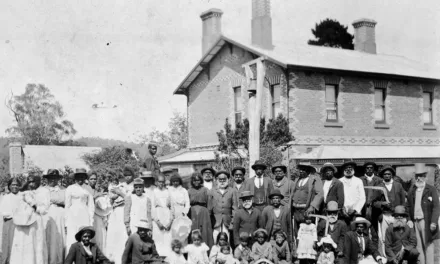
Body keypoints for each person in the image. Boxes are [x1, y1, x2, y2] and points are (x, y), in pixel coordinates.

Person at [10, 174, 48, 264]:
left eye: (33, 181)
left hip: (36, 222)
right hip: (22, 223)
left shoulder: (43, 192)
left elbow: (44, 210)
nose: (31, 184)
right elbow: (16, 208)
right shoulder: (22, 193)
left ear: (38, 182)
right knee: (22, 243)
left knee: (35, 244)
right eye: (29, 181)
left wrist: (33, 204)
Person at [406, 163, 439, 264]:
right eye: (417, 176)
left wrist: (433, 222)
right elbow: (408, 207)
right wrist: (409, 220)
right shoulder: (412, 190)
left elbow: (437, 207)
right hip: (415, 222)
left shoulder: (431, 189)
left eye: (421, 176)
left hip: (426, 221)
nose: (418, 178)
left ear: (425, 177)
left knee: (428, 245)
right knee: (419, 246)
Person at [372, 165, 405, 256]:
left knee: (398, 235)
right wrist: (382, 204)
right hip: (385, 216)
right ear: (382, 175)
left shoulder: (398, 186)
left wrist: (401, 212)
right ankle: (386, 257)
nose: (387, 176)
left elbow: (403, 201)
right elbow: (373, 203)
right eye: (385, 174)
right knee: (384, 237)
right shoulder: (379, 186)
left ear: (392, 175)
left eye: (389, 174)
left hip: (397, 216)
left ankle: (398, 256)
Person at [65, 168, 95, 252]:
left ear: (85, 178)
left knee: (84, 235)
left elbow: (91, 206)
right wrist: (66, 223)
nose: (80, 179)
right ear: (75, 178)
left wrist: (91, 221)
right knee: (72, 236)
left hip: (84, 215)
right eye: (78, 177)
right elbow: (67, 206)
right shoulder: (70, 188)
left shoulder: (88, 189)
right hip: (72, 215)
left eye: (82, 177)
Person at [290, 162, 323, 236]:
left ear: (308, 170)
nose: (301, 171)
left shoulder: (314, 179)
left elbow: (320, 194)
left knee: (308, 232)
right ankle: (297, 247)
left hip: (306, 211)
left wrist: (312, 207)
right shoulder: (297, 180)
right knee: (297, 232)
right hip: (296, 211)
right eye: (300, 169)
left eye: (304, 169)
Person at [43, 169, 66, 264]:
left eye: (55, 178)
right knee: (49, 235)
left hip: (60, 214)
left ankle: (59, 260)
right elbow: (43, 201)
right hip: (48, 214)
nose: (53, 180)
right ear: (47, 179)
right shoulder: (43, 189)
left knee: (59, 236)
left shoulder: (63, 189)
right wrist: (55, 200)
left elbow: (65, 201)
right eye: (51, 178)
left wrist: (53, 199)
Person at [209, 170, 238, 244]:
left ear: (228, 180)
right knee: (215, 238)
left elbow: (235, 208)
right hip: (215, 221)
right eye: (220, 179)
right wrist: (210, 221)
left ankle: (226, 254)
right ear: (216, 180)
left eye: (224, 179)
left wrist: (232, 222)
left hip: (227, 221)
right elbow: (209, 208)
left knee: (226, 238)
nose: (222, 181)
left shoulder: (232, 191)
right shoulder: (212, 191)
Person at [107, 176, 129, 264]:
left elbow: (125, 196)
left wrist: (119, 193)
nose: (115, 182)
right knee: (114, 233)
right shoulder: (111, 187)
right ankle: (113, 257)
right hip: (115, 210)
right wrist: (117, 194)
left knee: (122, 233)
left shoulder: (122, 187)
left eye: (116, 180)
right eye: (113, 181)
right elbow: (112, 197)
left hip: (122, 209)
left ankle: (122, 257)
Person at [188, 172, 213, 248]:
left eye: (198, 180)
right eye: (194, 180)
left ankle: (205, 251)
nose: (196, 182)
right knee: (193, 230)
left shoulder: (205, 190)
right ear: (192, 181)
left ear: (201, 180)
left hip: (203, 212)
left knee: (204, 231)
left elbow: (209, 202)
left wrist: (208, 213)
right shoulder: (189, 191)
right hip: (192, 212)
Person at [0, 177, 22, 264]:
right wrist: (15, 215)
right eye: (13, 184)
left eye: (17, 185)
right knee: (8, 244)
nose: (15, 186)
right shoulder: (6, 197)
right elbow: (4, 212)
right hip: (9, 223)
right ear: (9, 186)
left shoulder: (22, 196)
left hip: (20, 224)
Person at [152, 174, 174, 256]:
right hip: (158, 216)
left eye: (162, 182)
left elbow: (172, 207)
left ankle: (168, 258)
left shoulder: (168, 191)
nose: (161, 184)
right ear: (156, 182)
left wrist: (170, 221)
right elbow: (152, 209)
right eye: (159, 182)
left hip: (167, 216)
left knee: (168, 237)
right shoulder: (154, 192)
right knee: (158, 237)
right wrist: (158, 222)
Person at [360, 162, 383, 239]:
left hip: (375, 208)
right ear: (365, 169)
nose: (369, 169)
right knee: (363, 228)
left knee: (375, 230)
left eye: (371, 168)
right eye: (367, 168)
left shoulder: (379, 180)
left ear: (373, 169)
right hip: (363, 208)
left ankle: (375, 247)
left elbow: (381, 194)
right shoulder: (360, 180)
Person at [93, 181, 112, 255]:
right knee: (97, 234)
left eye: (102, 187)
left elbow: (105, 207)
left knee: (102, 234)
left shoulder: (105, 196)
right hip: (95, 216)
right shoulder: (94, 194)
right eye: (98, 186)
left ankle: (101, 253)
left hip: (102, 217)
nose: (100, 188)